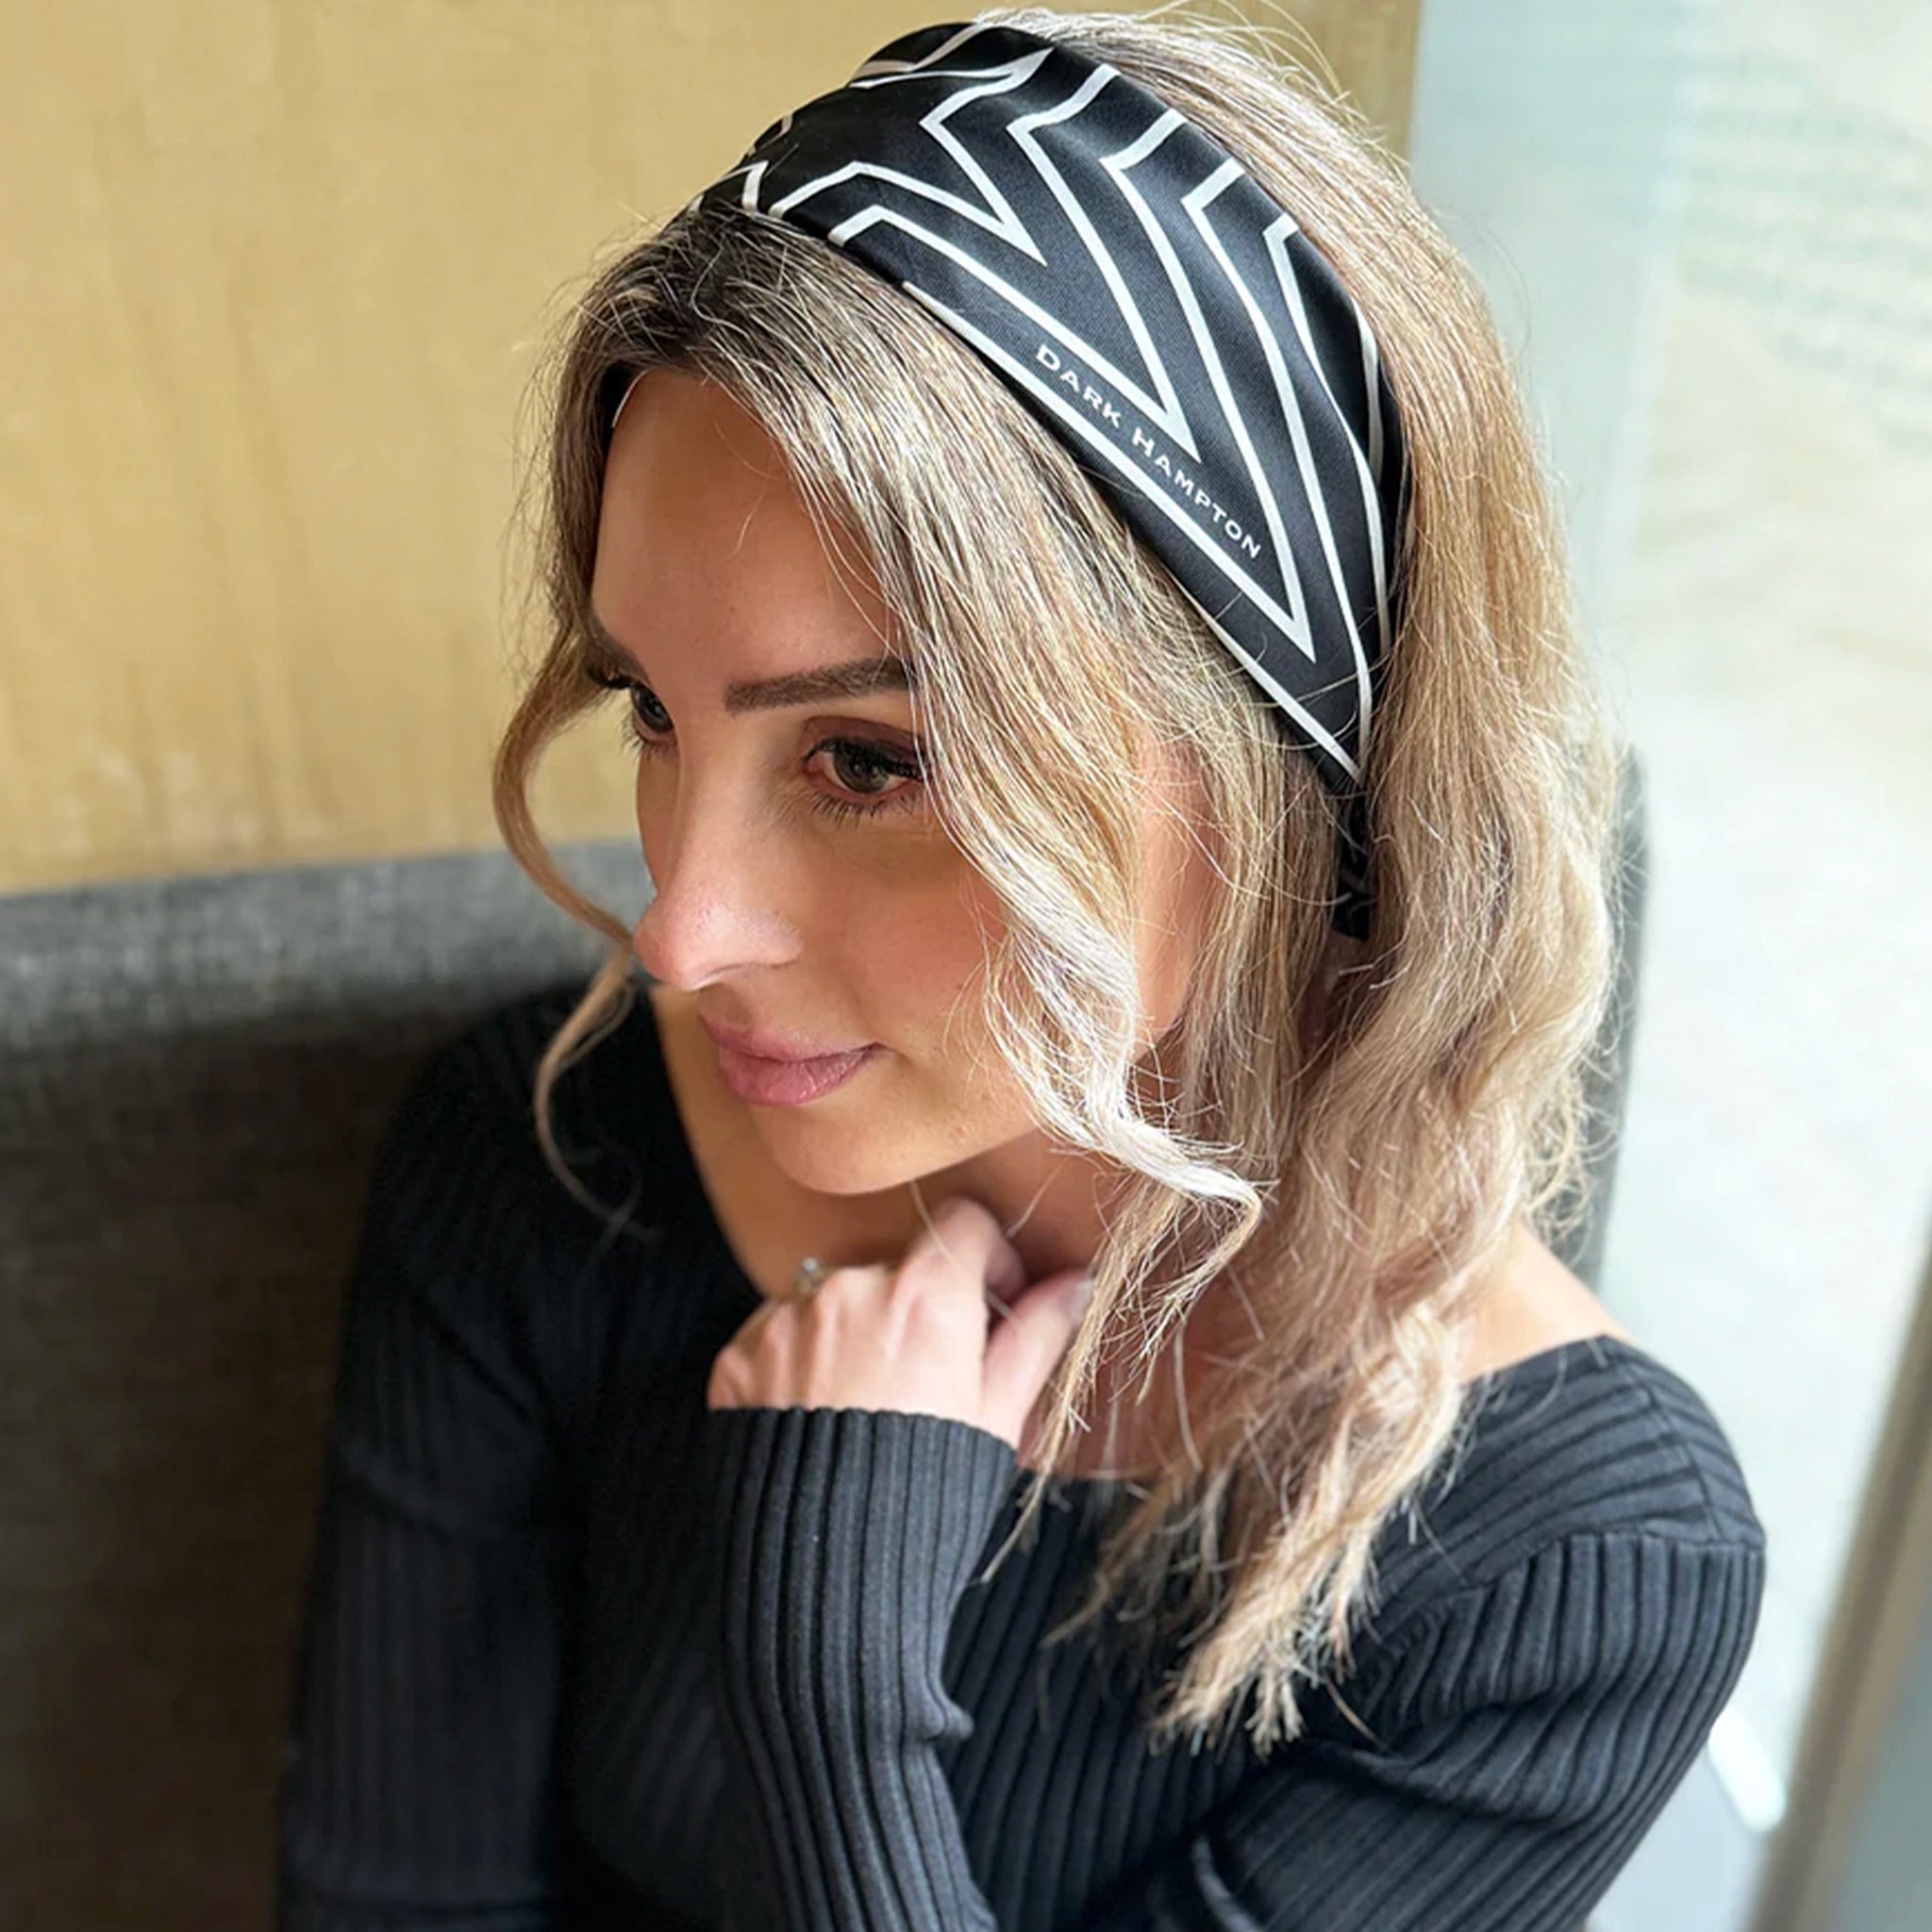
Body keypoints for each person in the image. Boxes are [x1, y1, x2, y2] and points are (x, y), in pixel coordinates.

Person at [275, 8, 1766, 1928]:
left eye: (870, 759)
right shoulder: (543, 1160)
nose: (679, 928)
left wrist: (834, 1669)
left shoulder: (1576, 1563)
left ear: (1286, 765)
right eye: (652, 711)